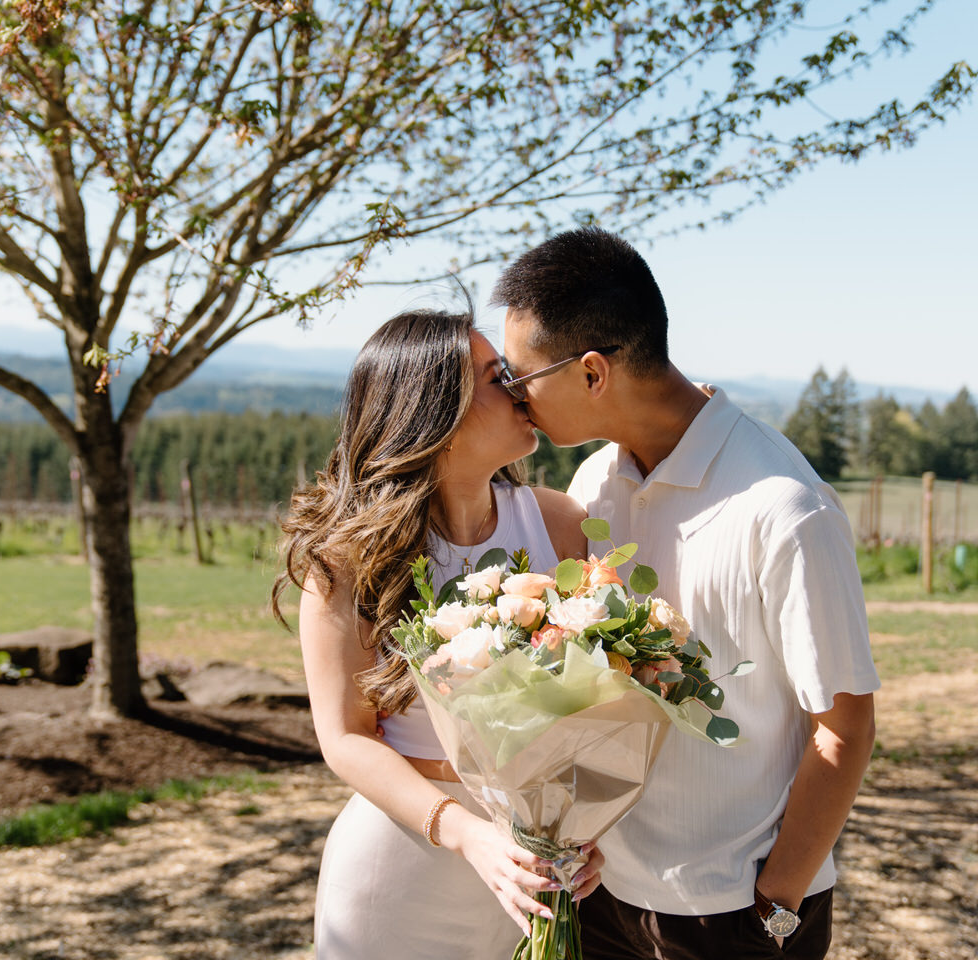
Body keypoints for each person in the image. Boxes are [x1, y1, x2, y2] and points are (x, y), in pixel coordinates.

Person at [492, 227, 880, 960]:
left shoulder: (786, 508)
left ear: (594, 373)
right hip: (604, 894)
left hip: (733, 913)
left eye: (520, 376)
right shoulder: (595, 486)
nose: (513, 396)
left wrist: (778, 901)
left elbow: (846, 726)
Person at [276, 306, 603, 960]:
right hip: (401, 868)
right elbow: (344, 738)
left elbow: (601, 697)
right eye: (493, 376)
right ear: (437, 412)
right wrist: (464, 834)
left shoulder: (562, 527)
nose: (518, 388)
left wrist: (582, 826)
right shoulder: (348, 561)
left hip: (529, 870)